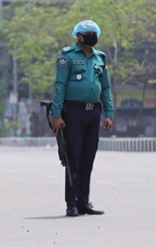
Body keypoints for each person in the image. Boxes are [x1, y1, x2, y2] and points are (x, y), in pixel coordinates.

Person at [50, 20, 114, 217]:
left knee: (88, 159)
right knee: (73, 159)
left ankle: (84, 201)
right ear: (78, 36)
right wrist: (56, 114)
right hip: (73, 113)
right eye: (88, 32)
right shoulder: (67, 57)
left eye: (94, 32)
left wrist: (109, 113)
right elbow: (60, 85)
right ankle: (72, 203)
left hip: (93, 112)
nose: (92, 35)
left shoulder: (99, 58)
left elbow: (106, 87)